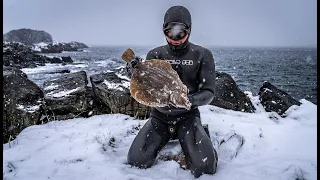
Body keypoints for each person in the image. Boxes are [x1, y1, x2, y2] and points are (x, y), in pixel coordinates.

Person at [126, 5, 217, 178]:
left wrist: (188, 100)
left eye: (180, 32)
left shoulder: (202, 55)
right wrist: (132, 72)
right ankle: (167, 136)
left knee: (205, 167)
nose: (175, 38)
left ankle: (200, 132)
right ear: (164, 30)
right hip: (159, 117)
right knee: (136, 161)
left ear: (189, 30)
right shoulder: (155, 53)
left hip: (188, 117)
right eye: (170, 32)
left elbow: (209, 92)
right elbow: (145, 84)